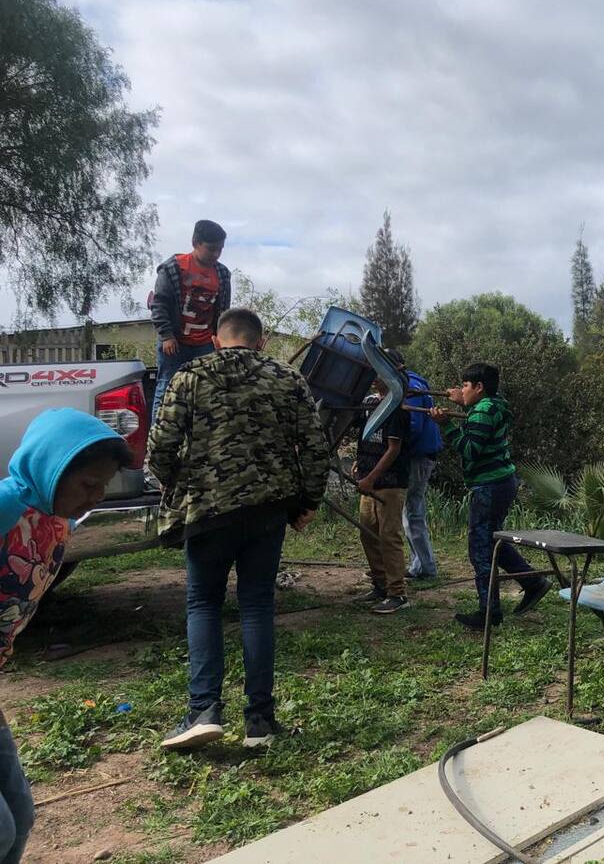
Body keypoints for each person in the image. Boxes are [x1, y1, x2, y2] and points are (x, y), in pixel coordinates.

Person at [148, 308, 330, 751]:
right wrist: (307, 501)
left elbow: (161, 448)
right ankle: (260, 722)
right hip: (267, 513)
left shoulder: (189, 377)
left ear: (215, 339)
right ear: (261, 341)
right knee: (256, 606)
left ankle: (203, 711)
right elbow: (315, 446)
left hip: (207, 513)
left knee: (203, 603)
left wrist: (176, 483)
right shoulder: (287, 379)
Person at [0, 409, 132, 862]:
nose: (94, 497)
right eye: (86, 484)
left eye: (103, 487)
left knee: (20, 817)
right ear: (51, 469)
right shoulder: (6, 506)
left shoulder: (56, 517)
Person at [430, 363, 549, 630]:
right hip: (502, 482)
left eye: (465, 386)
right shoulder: (494, 404)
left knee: (480, 550)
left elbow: (470, 449)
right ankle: (533, 581)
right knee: (493, 540)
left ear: (479, 387)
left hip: (489, 486)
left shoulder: (481, 412)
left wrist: (446, 424)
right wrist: (464, 403)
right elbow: (479, 416)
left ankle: (488, 612)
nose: (461, 389)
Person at [149, 219, 232, 421]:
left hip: (205, 344)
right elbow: (159, 305)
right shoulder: (172, 268)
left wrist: (221, 340)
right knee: (167, 388)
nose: (216, 254)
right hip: (174, 343)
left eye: (220, 250)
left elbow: (223, 310)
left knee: (205, 391)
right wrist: (167, 335)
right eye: (211, 249)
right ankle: (156, 441)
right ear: (195, 243)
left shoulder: (222, 273)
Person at [353, 377, 411, 614]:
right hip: (368, 480)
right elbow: (364, 436)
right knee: (368, 533)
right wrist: (361, 464)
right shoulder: (368, 403)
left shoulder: (397, 408)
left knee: (389, 536)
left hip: (389, 482)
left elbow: (393, 449)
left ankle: (397, 593)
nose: (375, 378)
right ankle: (380, 584)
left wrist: (372, 477)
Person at [401, 367, 441, 580]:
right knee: (412, 511)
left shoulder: (410, 388)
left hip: (417, 456)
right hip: (423, 454)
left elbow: (412, 426)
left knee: (412, 512)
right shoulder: (416, 383)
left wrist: (395, 452)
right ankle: (420, 565)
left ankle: (425, 567)